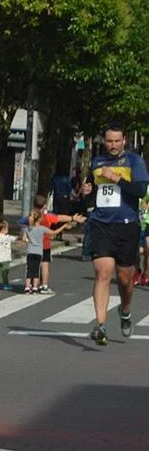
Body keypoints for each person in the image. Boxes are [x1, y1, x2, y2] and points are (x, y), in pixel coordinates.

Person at [80, 123, 149, 345]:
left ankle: (125, 310)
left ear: (124, 140)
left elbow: (141, 190)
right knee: (103, 272)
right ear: (104, 141)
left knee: (125, 278)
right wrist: (86, 191)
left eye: (117, 141)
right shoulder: (97, 162)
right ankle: (100, 325)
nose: (113, 145)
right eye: (109, 141)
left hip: (127, 225)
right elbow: (92, 191)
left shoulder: (134, 161)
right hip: (101, 224)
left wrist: (116, 178)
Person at [21, 208, 78, 294]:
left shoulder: (27, 228)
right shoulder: (42, 228)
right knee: (36, 270)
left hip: (30, 252)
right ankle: (35, 287)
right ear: (39, 219)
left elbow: (23, 239)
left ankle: (27, 287)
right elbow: (54, 232)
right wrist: (63, 226)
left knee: (29, 270)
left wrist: (28, 241)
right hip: (38, 252)